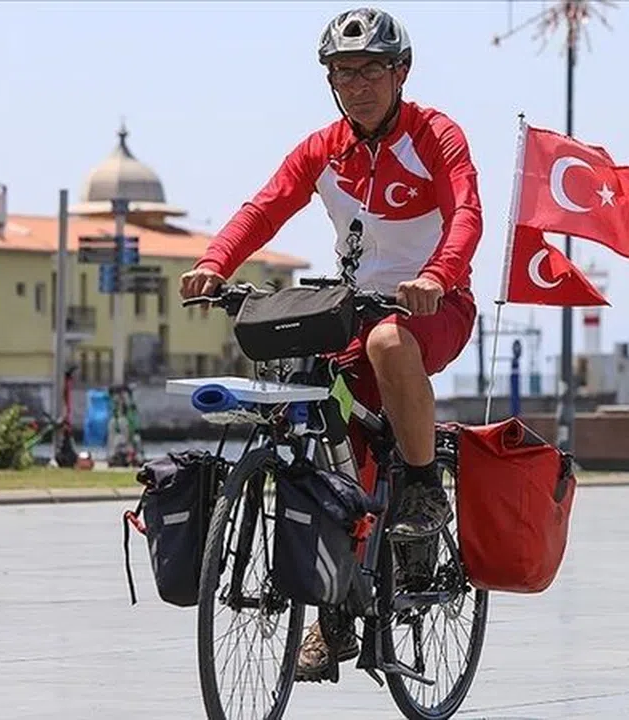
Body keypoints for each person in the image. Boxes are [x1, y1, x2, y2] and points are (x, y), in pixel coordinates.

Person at [178, 7, 481, 681]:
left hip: (432, 307)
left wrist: (438, 275)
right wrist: (216, 261)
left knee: (387, 340)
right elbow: (267, 205)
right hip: (351, 314)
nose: (357, 84)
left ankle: (426, 488)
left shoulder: (435, 136)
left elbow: (466, 212)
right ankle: (338, 602)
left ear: (400, 73)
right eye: (342, 72)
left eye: (371, 69)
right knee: (316, 421)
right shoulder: (323, 148)